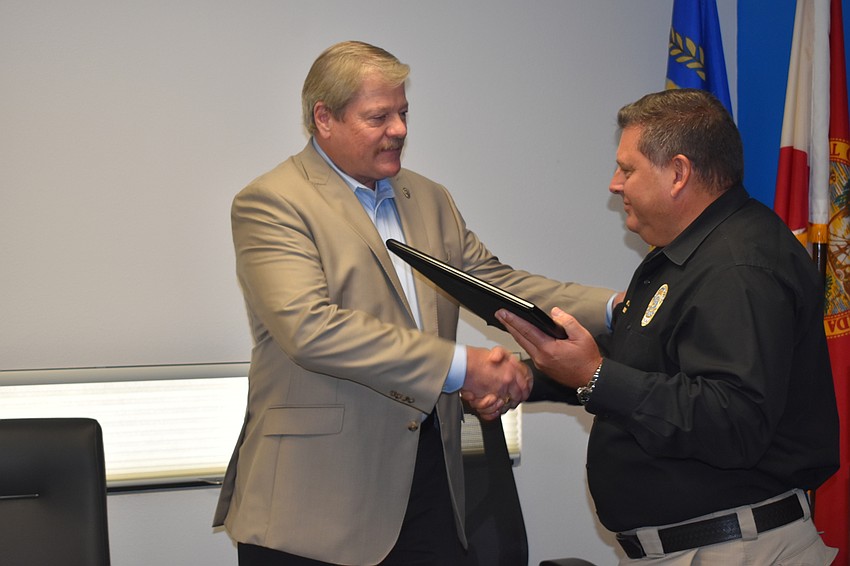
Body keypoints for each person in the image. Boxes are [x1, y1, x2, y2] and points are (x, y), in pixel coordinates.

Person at [212, 40, 615, 566]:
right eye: (379, 116)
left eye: (403, 113)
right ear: (323, 119)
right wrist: (462, 366)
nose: (399, 129)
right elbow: (311, 330)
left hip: (428, 486)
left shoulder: (428, 198)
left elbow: (496, 284)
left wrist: (619, 307)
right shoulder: (273, 202)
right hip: (315, 505)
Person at [496, 89, 840, 564]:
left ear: (678, 173)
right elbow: (641, 366)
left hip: (736, 549)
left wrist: (596, 376)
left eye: (628, 169)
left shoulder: (739, 267)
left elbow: (733, 421)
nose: (615, 184)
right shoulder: (684, 256)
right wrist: (529, 377)